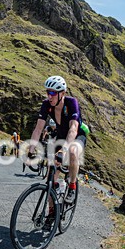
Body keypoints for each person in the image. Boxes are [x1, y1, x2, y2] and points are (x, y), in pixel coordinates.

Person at [27, 75, 87, 205]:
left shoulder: (72, 103)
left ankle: (72, 186)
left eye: (53, 93)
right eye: (48, 92)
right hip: (60, 137)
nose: (50, 96)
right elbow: (38, 129)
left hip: (77, 136)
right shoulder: (46, 105)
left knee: (72, 151)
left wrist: (63, 151)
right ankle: (51, 213)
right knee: (50, 180)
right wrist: (30, 151)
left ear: (62, 93)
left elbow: (73, 129)